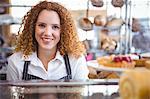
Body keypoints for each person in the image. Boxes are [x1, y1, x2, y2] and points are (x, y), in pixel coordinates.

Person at [7, 1, 89, 81]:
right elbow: (11, 94)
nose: (47, 33)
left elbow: (80, 94)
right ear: (32, 28)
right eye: (42, 25)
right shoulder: (15, 62)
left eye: (55, 27)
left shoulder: (76, 60)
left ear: (63, 31)